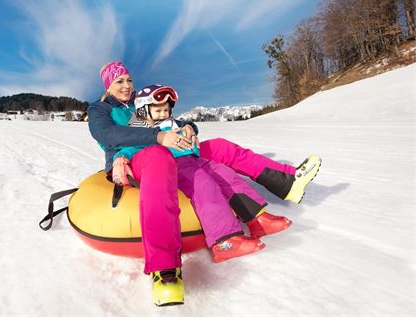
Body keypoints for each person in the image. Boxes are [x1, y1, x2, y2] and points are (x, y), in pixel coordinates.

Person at [88, 62, 321, 307]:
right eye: (119, 81)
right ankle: (165, 270)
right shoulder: (100, 109)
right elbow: (108, 135)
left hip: (173, 150)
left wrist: (189, 128)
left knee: (218, 146)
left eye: (128, 80)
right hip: (133, 159)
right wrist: (158, 137)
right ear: (108, 85)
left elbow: (168, 120)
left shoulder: (142, 100)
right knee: (161, 158)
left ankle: (288, 182)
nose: (126, 86)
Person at [112, 83, 292, 263]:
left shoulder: (173, 124)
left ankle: (257, 220)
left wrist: (190, 134)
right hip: (174, 166)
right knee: (204, 185)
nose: (164, 114)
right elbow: (131, 148)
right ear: (143, 111)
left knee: (225, 175)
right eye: (158, 110)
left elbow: (190, 132)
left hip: (195, 160)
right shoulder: (142, 131)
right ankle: (224, 241)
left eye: (166, 110)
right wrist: (121, 159)